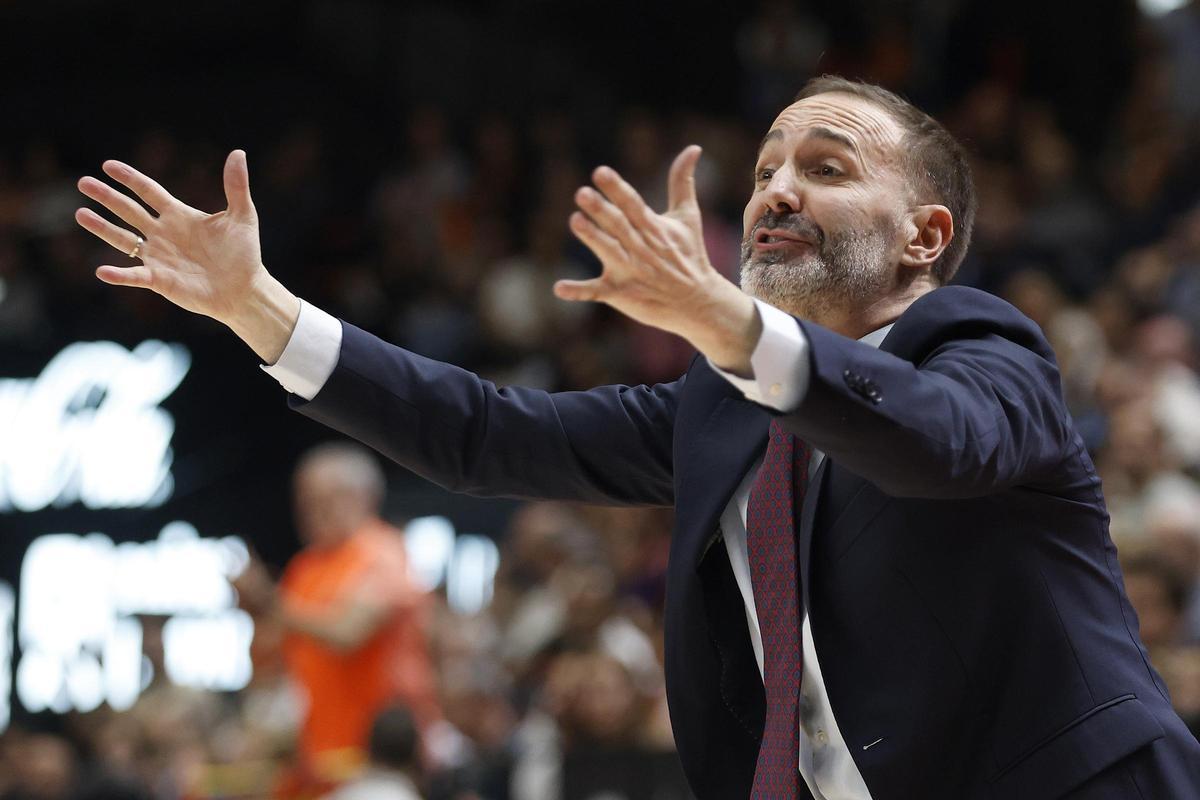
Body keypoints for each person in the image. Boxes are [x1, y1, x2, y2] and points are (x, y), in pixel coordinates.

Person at [74, 75, 1200, 799]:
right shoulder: (719, 403)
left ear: (925, 237)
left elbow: (932, 441)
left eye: (826, 167)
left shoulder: (984, 347)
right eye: (763, 170)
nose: (776, 190)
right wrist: (257, 308)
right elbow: (482, 434)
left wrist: (722, 317)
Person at [233, 443, 440, 778]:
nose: (312, 510)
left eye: (327, 497)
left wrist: (270, 603)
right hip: (326, 757)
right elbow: (269, 656)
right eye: (305, 499)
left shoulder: (381, 552)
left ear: (365, 496)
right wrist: (253, 611)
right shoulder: (304, 568)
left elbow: (348, 633)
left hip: (386, 759)